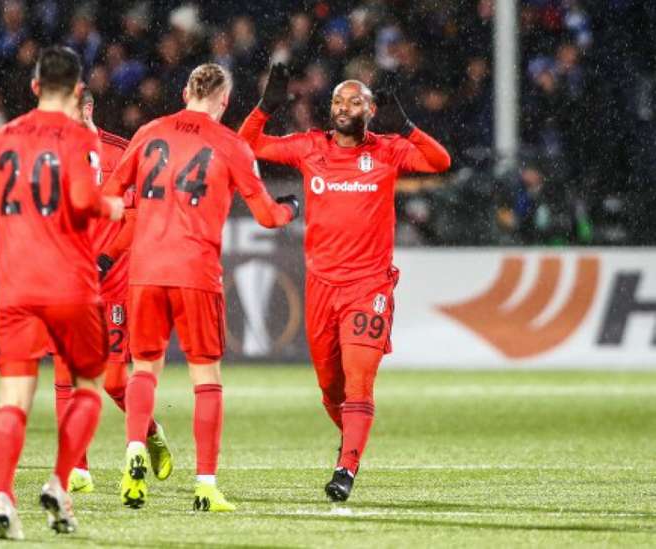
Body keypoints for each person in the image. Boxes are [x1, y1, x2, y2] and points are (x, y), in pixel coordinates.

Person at [238, 64, 451, 502]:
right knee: (330, 391)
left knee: (358, 383)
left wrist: (408, 128)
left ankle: (346, 468)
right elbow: (246, 146)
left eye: (354, 101)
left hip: (368, 288)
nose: (343, 107)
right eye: (338, 100)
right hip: (320, 288)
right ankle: (353, 436)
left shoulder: (389, 151)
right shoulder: (310, 147)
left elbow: (439, 161)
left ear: (371, 110)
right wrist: (264, 107)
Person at [103, 63, 298, 512]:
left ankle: (135, 448)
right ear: (225, 101)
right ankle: (206, 487)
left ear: (185, 90)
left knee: (145, 369)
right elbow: (268, 217)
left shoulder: (149, 131)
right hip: (196, 272)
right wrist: (291, 208)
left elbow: (113, 193)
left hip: (146, 270)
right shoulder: (229, 144)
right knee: (205, 379)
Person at [0, 46, 124, 539]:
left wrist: (9, 218)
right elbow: (83, 198)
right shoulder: (78, 136)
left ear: (32, 87)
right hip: (71, 283)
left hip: (18, 287)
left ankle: (2, 494)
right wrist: (108, 208)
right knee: (89, 387)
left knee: (13, 400)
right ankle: (59, 483)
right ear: (75, 91)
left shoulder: (2, 137)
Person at [51, 89, 173, 495]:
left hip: (114, 281)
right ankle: (77, 467)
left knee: (115, 381)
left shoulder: (120, 153)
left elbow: (136, 218)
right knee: (66, 377)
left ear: (88, 109)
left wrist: (103, 258)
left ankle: (149, 430)